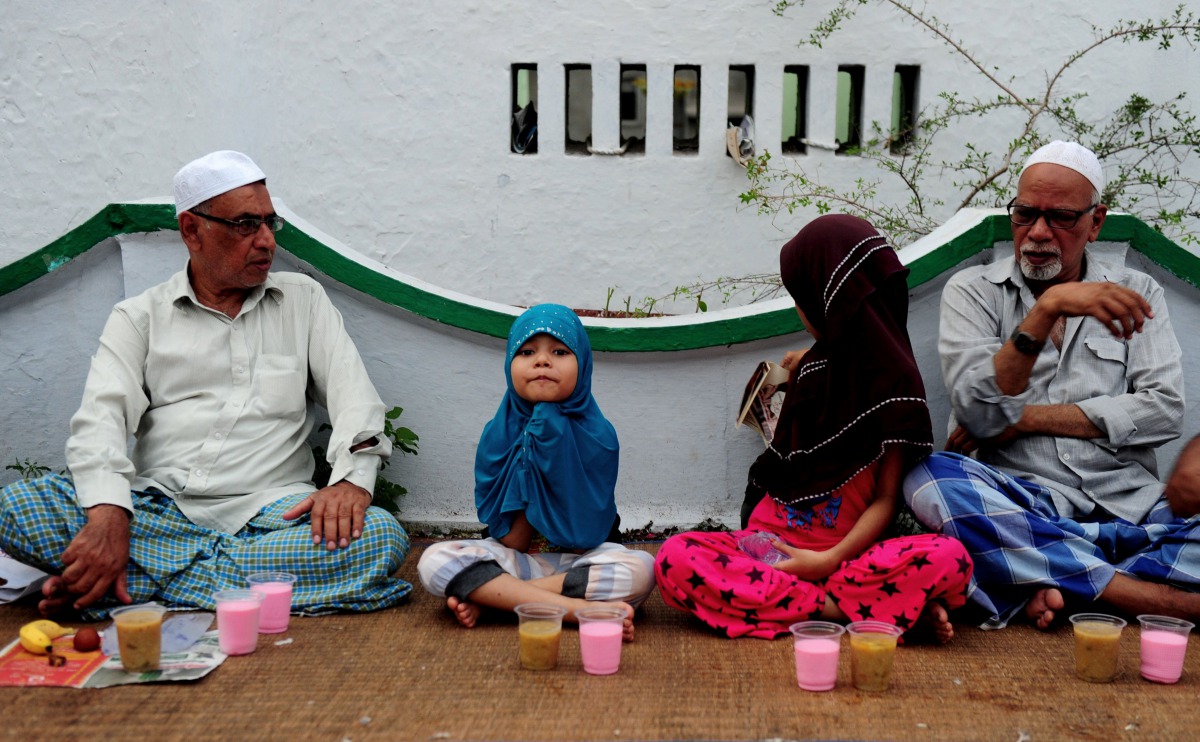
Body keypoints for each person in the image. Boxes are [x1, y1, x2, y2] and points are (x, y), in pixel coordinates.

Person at [0, 150, 411, 618]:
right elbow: (101, 421)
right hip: (156, 510)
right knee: (18, 505)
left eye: (268, 224)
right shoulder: (139, 318)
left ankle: (131, 586)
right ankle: (232, 586)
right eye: (245, 225)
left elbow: (355, 400)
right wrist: (111, 514)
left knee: (379, 536)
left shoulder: (304, 301)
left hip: (273, 516)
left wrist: (351, 484)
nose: (265, 243)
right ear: (192, 230)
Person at [903, 140, 1197, 630]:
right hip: (1026, 502)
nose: (1037, 233)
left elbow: (1164, 410)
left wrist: (1021, 419)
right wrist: (1047, 309)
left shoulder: (1139, 292)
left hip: (1133, 509)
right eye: (1024, 215)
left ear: (1096, 221)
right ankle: (1141, 596)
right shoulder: (973, 291)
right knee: (929, 479)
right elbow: (978, 415)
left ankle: (1051, 580)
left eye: (1060, 217)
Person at [653, 214, 973, 641]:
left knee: (951, 558)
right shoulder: (813, 369)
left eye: (800, 296)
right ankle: (846, 608)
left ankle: (824, 601)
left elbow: (885, 500)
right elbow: (788, 470)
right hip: (768, 550)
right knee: (675, 557)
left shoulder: (896, 383)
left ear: (829, 299)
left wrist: (827, 561)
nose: (799, 310)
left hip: (845, 557)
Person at [417, 304, 654, 640]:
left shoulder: (598, 435)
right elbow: (513, 540)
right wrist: (530, 455)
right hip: (515, 559)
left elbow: (588, 532)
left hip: (580, 560)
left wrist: (551, 446)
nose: (542, 361)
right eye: (527, 351)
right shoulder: (498, 433)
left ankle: (498, 599)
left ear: (582, 364)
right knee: (433, 560)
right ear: (510, 365)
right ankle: (581, 612)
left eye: (559, 351)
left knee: (641, 569)